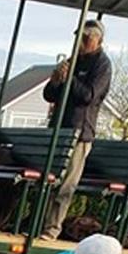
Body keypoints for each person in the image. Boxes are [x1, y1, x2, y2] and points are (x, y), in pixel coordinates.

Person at [40, 19, 112, 240]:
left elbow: (88, 96)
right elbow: (50, 95)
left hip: (80, 132)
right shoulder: (74, 61)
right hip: (59, 130)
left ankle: (52, 228)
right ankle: (39, 223)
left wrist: (70, 79)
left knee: (66, 185)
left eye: (85, 38)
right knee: (49, 180)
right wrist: (55, 81)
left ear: (96, 39)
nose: (80, 42)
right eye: (78, 37)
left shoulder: (102, 65)